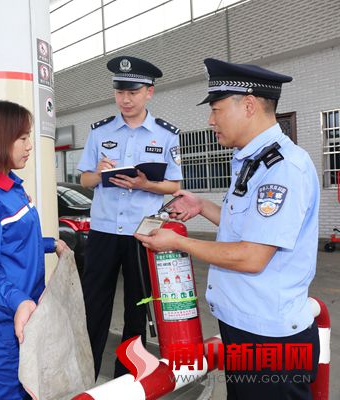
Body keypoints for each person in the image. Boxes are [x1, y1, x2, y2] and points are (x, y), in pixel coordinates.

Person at [136, 58, 320, 399]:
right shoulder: (253, 160)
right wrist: (203, 207)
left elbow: (252, 256)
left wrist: (176, 245)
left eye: (216, 109)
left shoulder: (283, 168)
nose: (210, 120)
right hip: (245, 327)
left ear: (248, 105)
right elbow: (251, 229)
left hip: (269, 341)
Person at [77, 56, 183, 379]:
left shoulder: (166, 135)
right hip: (104, 233)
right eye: (119, 91)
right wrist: (97, 173)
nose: (125, 99)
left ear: (149, 92)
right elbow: (84, 180)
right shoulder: (100, 132)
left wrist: (144, 184)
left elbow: (174, 185)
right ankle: (85, 377)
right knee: (94, 308)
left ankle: (128, 380)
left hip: (142, 235)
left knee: (136, 312)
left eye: (133, 92)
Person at [0, 100, 68, 400]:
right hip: (3, 328)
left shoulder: (10, 187)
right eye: (22, 138)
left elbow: (15, 239)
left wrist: (51, 244)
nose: (29, 145)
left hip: (28, 315)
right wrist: (18, 301)